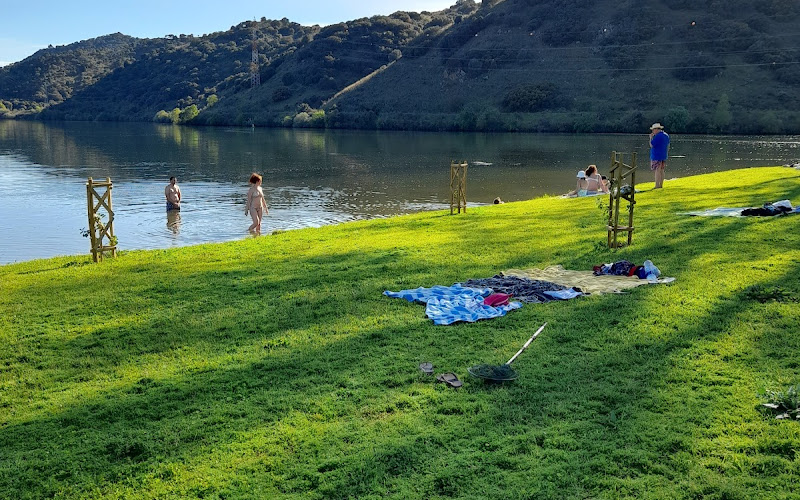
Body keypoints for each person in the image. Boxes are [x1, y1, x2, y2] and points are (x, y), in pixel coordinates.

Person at [649, 123, 670, 189]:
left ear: (656, 129)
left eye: (653, 130)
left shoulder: (657, 136)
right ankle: (661, 185)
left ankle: (657, 185)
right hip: (663, 155)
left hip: (656, 156)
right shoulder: (666, 135)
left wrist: (651, 138)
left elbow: (651, 145)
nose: (652, 131)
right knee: (661, 170)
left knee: (657, 170)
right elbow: (668, 145)